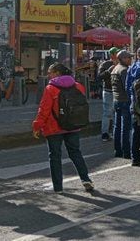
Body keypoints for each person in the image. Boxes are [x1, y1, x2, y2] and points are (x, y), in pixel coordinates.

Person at [32, 62, 94, 193]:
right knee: (76, 153)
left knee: (55, 156)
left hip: (54, 127)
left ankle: (58, 188)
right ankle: (85, 179)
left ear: (57, 73)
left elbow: (44, 110)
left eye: (50, 72)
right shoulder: (78, 86)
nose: (48, 75)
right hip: (73, 125)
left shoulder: (50, 89)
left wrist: (37, 126)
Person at [111, 50, 132, 159]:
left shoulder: (115, 68)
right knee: (125, 127)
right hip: (124, 100)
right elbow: (127, 87)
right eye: (129, 58)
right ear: (123, 58)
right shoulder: (124, 70)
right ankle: (126, 151)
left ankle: (117, 150)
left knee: (117, 126)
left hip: (116, 100)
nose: (130, 59)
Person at [97, 47, 119, 141]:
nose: (117, 56)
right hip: (108, 91)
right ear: (112, 55)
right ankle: (105, 133)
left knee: (116, 113)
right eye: (116, 54)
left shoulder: (121, 64)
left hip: (117, 92)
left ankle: (115, 132)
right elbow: (99, 77)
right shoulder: (105, 64)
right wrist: (109, 70)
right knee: (107, 113)